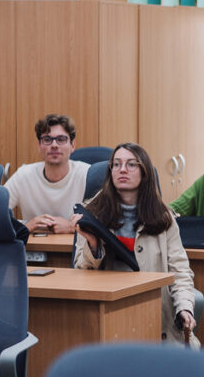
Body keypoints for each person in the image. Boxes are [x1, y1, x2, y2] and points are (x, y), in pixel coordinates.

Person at [73, 143, 197, 345]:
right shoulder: (92, 214)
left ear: (144, 173)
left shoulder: (163, 217)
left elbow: (180, 271)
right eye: (116, 164)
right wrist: (93, 244)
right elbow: (80, 273)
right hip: (108, 315)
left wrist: (184, 307)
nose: (122, 170)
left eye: (131, 164)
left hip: (156, 317)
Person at [4, 113, 89, 233]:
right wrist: (26, 227)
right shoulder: (24, 175)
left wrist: (71, 227)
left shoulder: (88, 174)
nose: (54, 145)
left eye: (61, 139)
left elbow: (105, 223)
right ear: (39, 146)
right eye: (47, 140)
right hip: (34, 250)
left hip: (74, 250)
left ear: (73, 145)